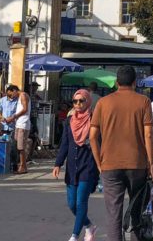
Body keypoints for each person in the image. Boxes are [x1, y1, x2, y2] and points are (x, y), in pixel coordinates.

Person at [89, 65, 153, 241]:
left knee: (113, 215)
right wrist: (151, 163)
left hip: (110, 165)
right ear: (135, 82)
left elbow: (93, 136)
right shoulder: (143, 102)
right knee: (137, 212)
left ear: (117, 82)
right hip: (137, 165)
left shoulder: (103, 103)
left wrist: (98, 162)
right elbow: (148, 133)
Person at [53, 89, 100, 241]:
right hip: (72, 167)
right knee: (72, 204)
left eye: (82, 101)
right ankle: (89, 226)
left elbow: (101, 143)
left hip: (88, 165)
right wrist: (58, 163)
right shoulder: (69, 121)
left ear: (88, 101)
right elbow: (65, 144)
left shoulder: (95, 120)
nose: (78, 104)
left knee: (81, 202)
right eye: (75, 101)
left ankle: (74, 236)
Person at [0, 84, 20, 171]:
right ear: (9, 91)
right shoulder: (2, 100)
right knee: (4, 146)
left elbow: (19, 113)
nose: (15, 94)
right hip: (4, 126)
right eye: (13, 92)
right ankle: (4, 164)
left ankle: (14, 165)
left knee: (13, 147)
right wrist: (1, 117)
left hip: (13, 126)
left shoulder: (18, 101)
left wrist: (12, 119)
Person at [13, 85, 32, 174]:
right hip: (19, 124)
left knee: (21, 147)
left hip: (23, 125)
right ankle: (21, 165)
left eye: (11, 94)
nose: (12, 96)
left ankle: (23, 167)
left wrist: (14, 116)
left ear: (14, 90)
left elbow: (25, 109)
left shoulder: (23, 95)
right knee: (18, 145)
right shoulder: (21, 96)